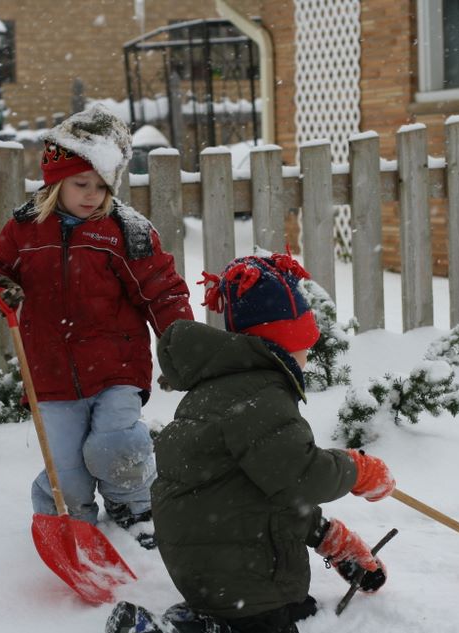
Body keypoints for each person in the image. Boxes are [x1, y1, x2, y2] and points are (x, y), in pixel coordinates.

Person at [106, 254, 396, 632]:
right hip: (239, 569)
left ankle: (202, 618)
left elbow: (267, 495)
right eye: (305, 344)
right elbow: (302, 478)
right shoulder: (262, 396)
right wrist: (358, 471)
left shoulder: (223, 389)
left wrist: (335, 543)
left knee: (294, 609)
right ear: (286, 343)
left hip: (211, 561)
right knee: (268, 624)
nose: (309, 355)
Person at [0, 103, 193, 549]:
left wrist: (180, 349)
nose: (92, 195)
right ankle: (70, 519)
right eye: (81, 183)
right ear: (56, 181)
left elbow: (162, 291)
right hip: (50, 373)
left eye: (101, 185)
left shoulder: (125, 231)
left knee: (114, 445)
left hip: (117, 367)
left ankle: (134, 505)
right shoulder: (25, 229)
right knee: (66, 469)